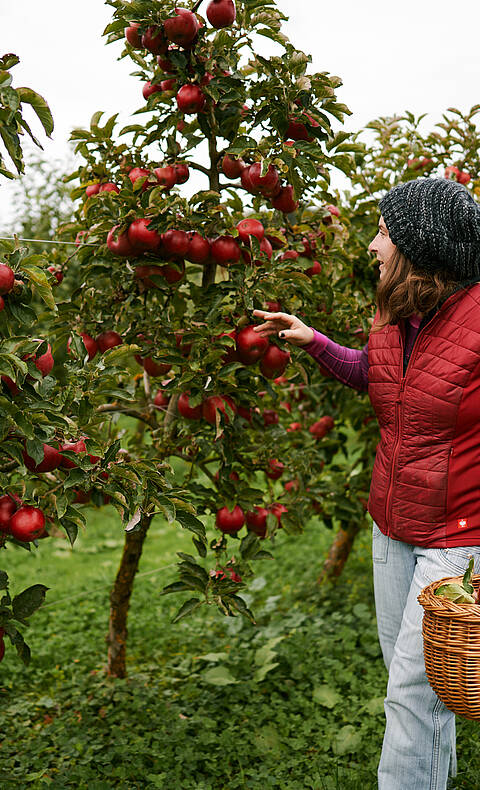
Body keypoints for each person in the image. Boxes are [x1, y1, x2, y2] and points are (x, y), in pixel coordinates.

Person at [253, 177, 480, 790]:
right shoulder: (393, 312)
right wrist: (315, 342)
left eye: (384, 231)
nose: (373, 244)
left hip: (457, 536)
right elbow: (381, 380)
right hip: (393, 524)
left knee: (415, 692)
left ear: (417, 246)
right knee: (417, 685)